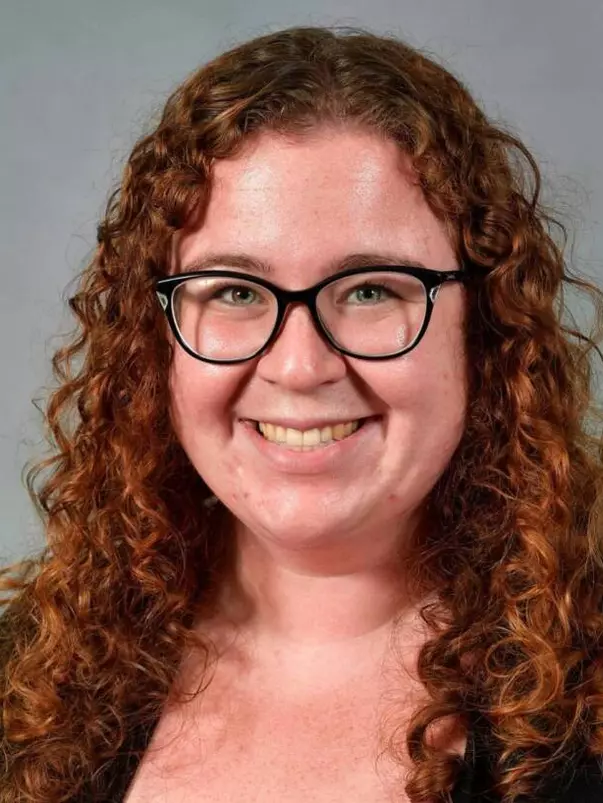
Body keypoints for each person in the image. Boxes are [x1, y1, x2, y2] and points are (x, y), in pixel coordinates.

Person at [2, 24, 603, 803]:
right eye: (235, 292)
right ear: (154, 345)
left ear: (482, 329)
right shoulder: (23, 684)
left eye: (370, 289)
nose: (297, 365)